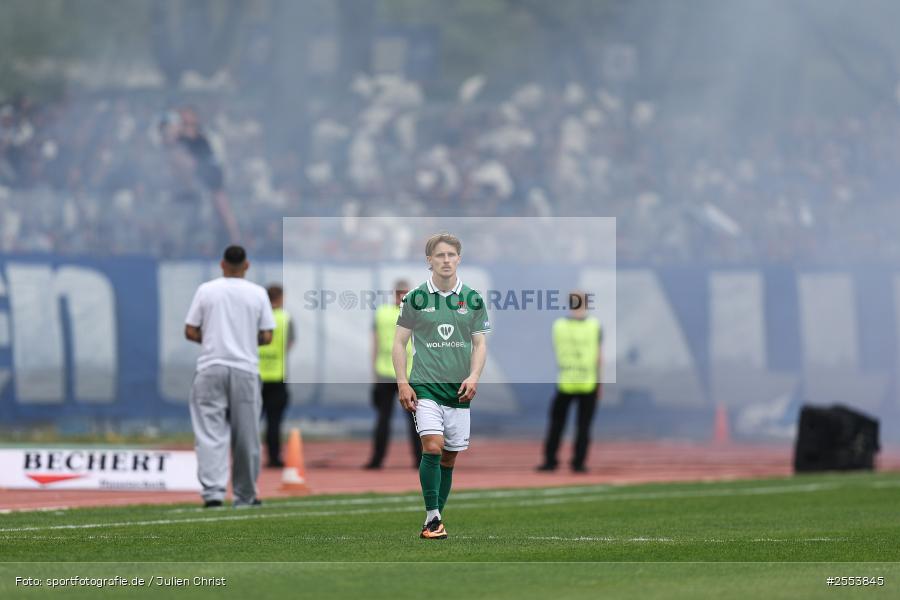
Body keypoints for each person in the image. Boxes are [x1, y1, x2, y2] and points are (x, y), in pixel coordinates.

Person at [394, 233, 490, 540]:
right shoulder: (415, 299)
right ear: (429, 261)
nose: (446, 260)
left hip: (458, 390)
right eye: (440, 255)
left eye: (451, 255)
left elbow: (479, 344)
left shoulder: (473, 299)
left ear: (459, 259)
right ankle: (432, 518)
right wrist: (403, 382)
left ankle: (435, 519)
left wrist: (474, 376)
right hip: (425, 386)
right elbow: (399, 342)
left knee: (449, 457)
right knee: (432, 447)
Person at [184, 245, 275, 507]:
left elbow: (190, 330)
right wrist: (244, 339)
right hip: (245, 368)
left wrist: (212, 338)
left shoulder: (207, 290)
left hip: (211, 366)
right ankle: (245, 495)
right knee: (246, 435)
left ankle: (212, 493)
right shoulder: (258, 293)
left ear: (222, 265)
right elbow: (267, 336)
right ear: (246, 265)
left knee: (210, 433)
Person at [537, 291, 602, 473]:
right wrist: (600, 382)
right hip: (586, 382)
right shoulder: (594, 325)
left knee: (558, 424)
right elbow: (598, 356)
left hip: (566, 381)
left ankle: (551, 461)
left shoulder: (559, 325)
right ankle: (578, 463)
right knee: (582, 426)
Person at [364, 280, 422, 470]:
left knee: (389, 419)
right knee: (409, 421)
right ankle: (418, 460)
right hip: (402, 374)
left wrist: (374, 372)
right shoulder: (415, 314)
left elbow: (375, 343)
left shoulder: (382, 313)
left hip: (392, 373)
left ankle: (377, 460)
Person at [258, 284, 295, 468]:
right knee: (274, 421)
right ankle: (273, 457)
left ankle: (246, 456)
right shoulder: (285, 318)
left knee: (250, 421)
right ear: (280, 298)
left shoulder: (257, 316)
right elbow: (290, 343)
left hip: (256, 375)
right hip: (277, 374)